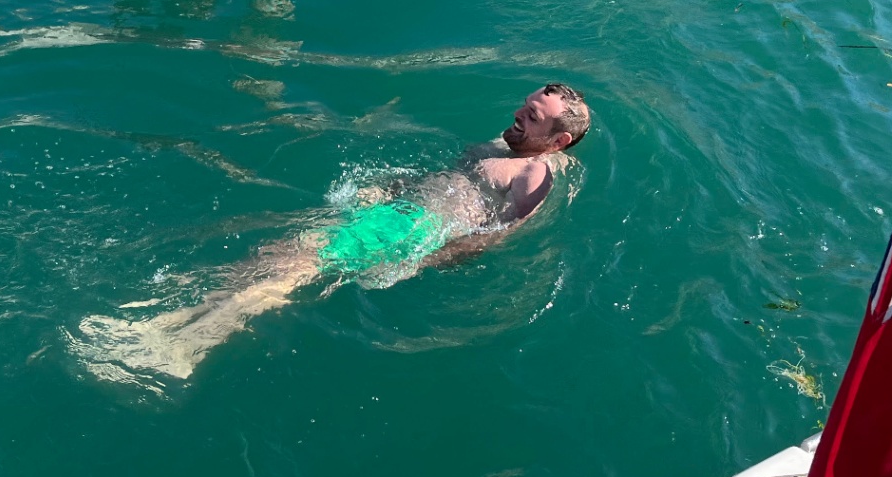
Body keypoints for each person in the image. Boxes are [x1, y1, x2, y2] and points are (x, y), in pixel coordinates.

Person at [74, 84, 593, 380]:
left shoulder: (535, 174)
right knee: (276, 258)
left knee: (295, 268)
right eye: (523, 107)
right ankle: (167, 322)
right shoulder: (507, 147)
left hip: (409, 231)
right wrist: (395, 187)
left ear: (558, 139)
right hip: (397, 215)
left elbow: (498, 233)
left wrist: (430, 257)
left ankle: (184, 350)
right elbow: (456, 183)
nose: (517, 115)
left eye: (531, 116)